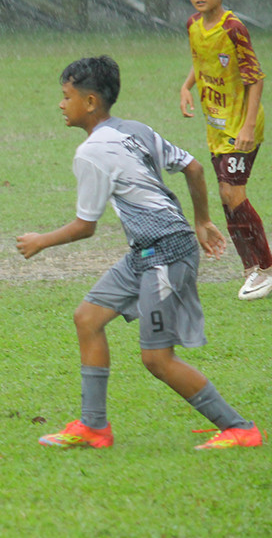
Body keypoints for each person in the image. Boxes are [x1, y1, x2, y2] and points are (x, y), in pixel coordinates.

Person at [17, 56, 262, 451]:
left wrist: (40, 240)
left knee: (157, 360)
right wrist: (201, 220)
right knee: (88, 318)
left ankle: (238, 427)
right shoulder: (135, 129)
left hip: (166, 252)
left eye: (66, 97)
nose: (61, 105)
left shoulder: (91, 153)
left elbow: (86, 227)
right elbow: (195, 168)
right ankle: (94, 427)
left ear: (91, 101)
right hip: (146, 251)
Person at [179, 0, 271, 301]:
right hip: (216, 126)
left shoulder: (234, 28)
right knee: (224, 196)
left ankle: (265, 267)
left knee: (234, 195)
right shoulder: (193, 25)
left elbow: (255, 77)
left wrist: (247, 126)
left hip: (240, 126)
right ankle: (252, 270)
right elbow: (201, 60)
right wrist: (186, 86)